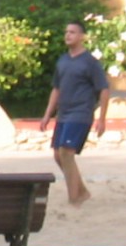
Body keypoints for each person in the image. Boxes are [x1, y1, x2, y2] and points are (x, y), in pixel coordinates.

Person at [39, 20, 110, 206]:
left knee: (66, 152)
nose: (68, 35)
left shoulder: (90, 62)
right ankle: (82, 191)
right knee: (58, 155)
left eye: (72, 32)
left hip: (81, 113)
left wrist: (102, 119)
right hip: (63, 114)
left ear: (81, 36)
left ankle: (74, 198)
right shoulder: (62, 61)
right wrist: (47, 115)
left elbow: (104, 89)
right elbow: (56, 89)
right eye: (66, 32)